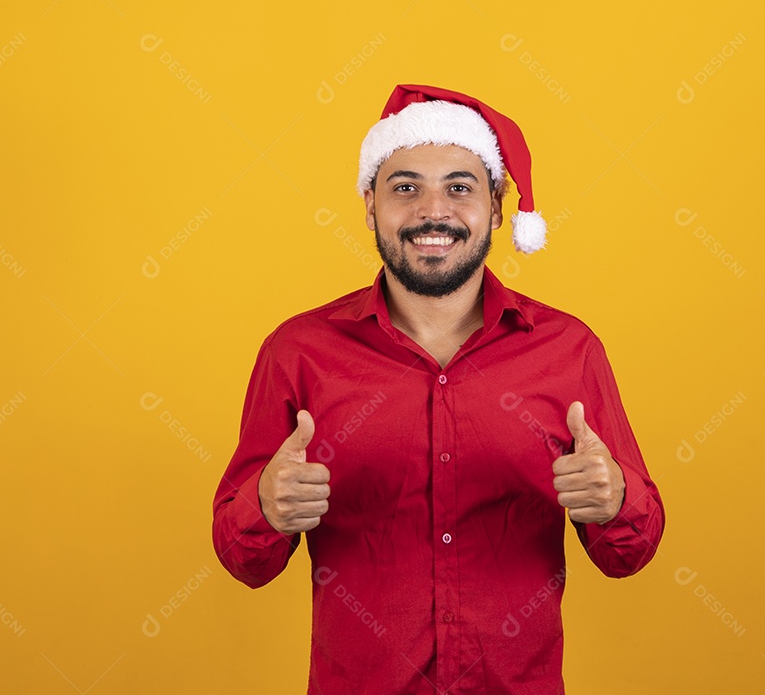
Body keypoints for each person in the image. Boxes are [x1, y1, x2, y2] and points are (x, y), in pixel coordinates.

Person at [212, 84, 665, 694]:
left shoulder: (569, 350)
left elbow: (628, 554)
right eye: (405, 188)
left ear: (497, 207)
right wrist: (265, 506)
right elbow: (245, 561)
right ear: (370, 203)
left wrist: (614, 501)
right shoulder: (298, 353)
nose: (433, 211)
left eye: (459, 187)